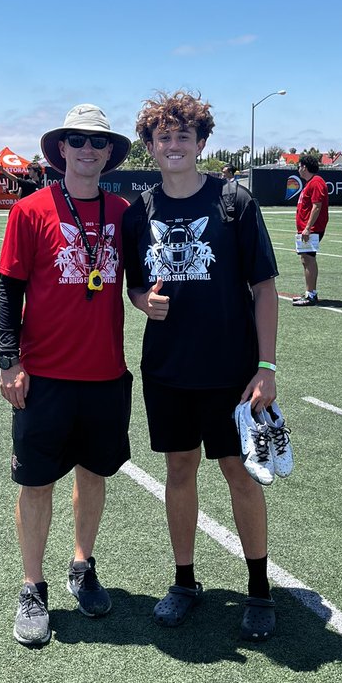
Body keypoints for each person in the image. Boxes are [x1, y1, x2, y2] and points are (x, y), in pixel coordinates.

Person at [122, 90, 281, 642]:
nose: (172, 144)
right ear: (149, 145)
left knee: (240, 473)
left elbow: (264, 287)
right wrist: (143, 302)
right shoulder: (138, 211)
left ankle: (259, 590)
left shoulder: (234, 202)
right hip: (167, 369)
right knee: (179, 471)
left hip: (231, 372)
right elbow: (134, 285)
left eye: (182, 136)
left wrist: (266, 365)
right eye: (162, 136)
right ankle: (185, 581)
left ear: (201, 142)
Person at [0, 104, 133, 648]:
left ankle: (82, 564)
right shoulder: (30, 210)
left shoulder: (124, 212)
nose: (87, 149)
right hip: (45, 374)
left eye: (97, 142)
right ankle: (32, 586)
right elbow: (10, 288)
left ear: (107, 153)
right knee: (35, 482)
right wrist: (9, 359)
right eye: (77, 140)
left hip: (104, 372)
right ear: (61, 150)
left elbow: (143, 278)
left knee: (93, 474)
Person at [292, 152, 329, 306]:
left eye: (299, 166)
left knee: (309, 259)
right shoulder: (311, 183)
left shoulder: (316, 182)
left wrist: (307, 228)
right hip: (306, 229)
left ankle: (311, 294)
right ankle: (309, 291)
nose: (298, 170)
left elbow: (317, 206)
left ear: (305, 167)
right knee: (305, 259)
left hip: (312, 229)